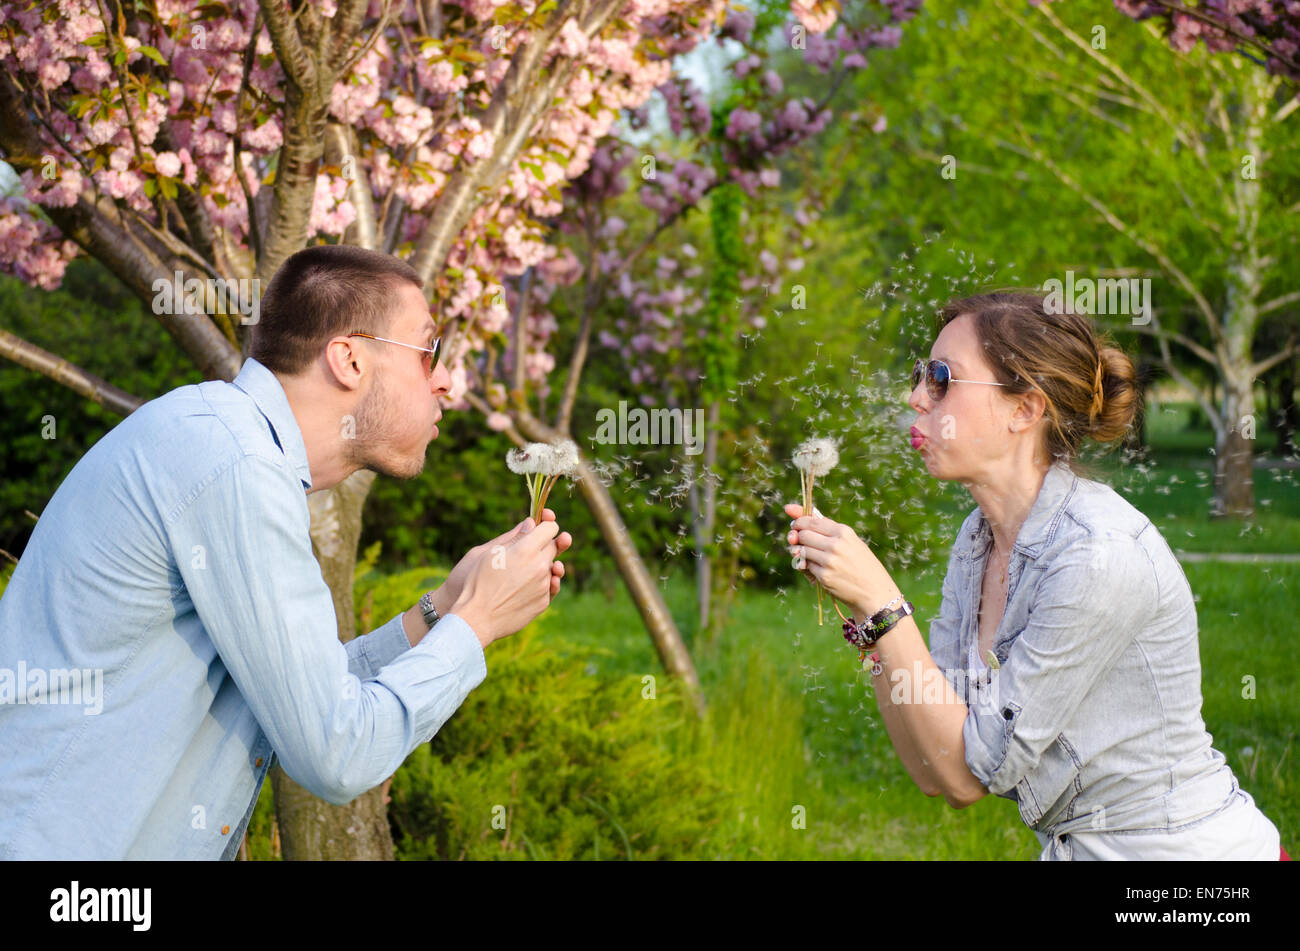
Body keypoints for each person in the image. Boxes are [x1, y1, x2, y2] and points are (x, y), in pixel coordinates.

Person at [0, 245, 571, 860]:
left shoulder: (229, 446)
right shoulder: (234, 465)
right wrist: (477, 622)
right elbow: (336, 752)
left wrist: (440, 610)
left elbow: (311, 700)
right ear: (349, 359)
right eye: (428, 351)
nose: (447, 382)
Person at [784, 290, 1286, 860]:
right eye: (920, 374)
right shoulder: (978, 540)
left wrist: (882, 602)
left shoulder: (1097, 557)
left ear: (1024, 409)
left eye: (943, 378)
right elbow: (940, 768)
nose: (915, 397)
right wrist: (864, 611)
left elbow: (971, 774)